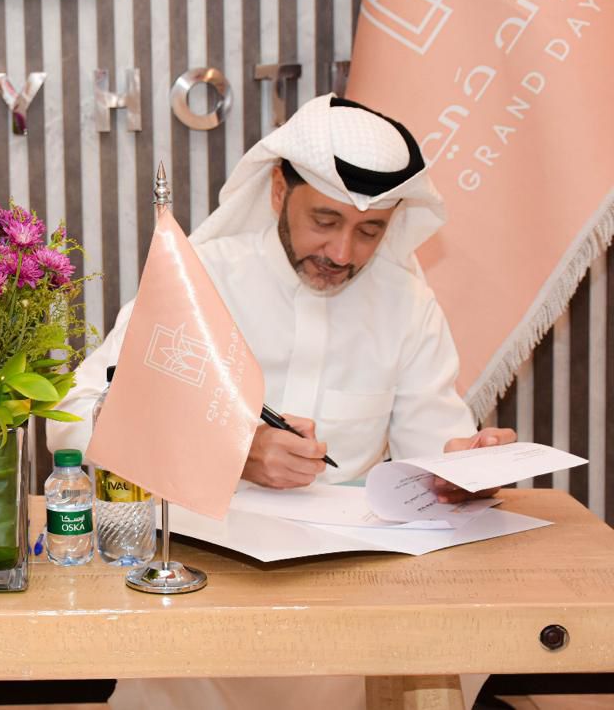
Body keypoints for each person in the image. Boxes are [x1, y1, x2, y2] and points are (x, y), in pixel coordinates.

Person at [52, 94, 514, 710]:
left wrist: (466, 468)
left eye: (370, 231)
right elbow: (75, 418)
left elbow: (435, 451)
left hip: (354, 604)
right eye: (325, 220)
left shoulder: (406, 305)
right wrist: (232, 452)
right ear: (278, 191)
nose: (342, 254)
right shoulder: (199, 281)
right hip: (200, 598)